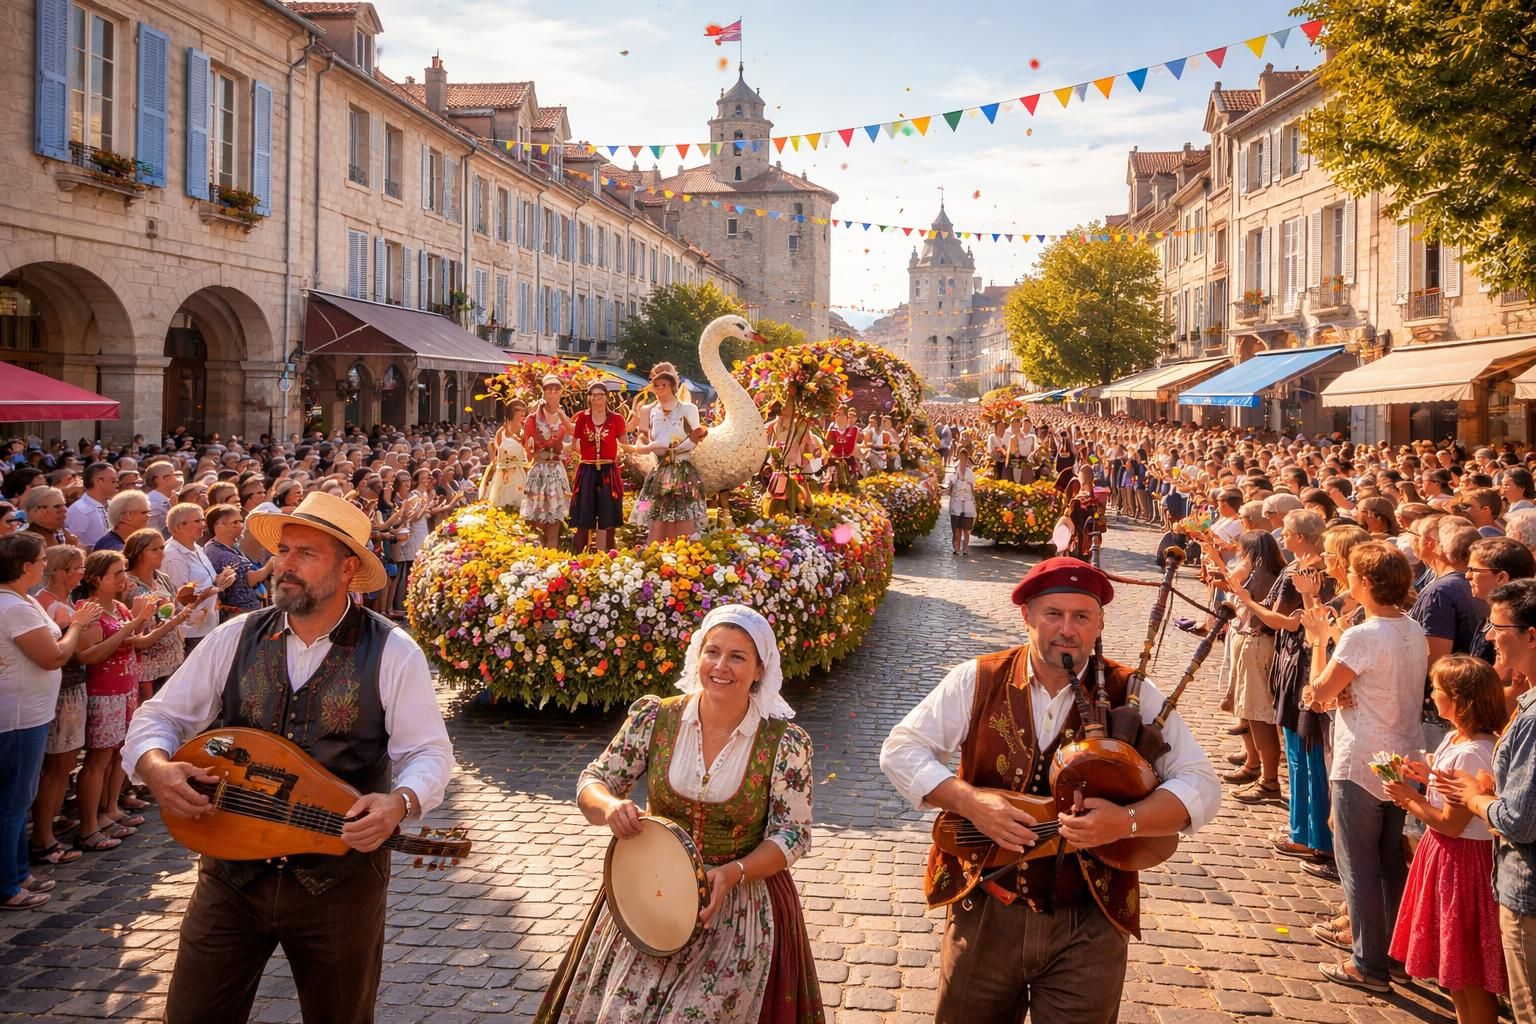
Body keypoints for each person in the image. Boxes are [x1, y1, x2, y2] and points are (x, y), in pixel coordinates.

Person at [122, 491, 455, 1024]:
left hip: (339, 884)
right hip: (230, 878)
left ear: (349, 569)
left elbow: (428, 752)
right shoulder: (235, 637)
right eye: (284, 552)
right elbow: (156, 718)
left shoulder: (392, 651)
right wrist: (156, 767)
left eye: (306, 554)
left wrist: (401, 801)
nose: (285, 566)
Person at [879, 557, 1221, 1023]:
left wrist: (1127, 821)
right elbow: (902, 749)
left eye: (1082, 616)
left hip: (1090, 920)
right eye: (1053, 614)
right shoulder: (979, 678)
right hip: (987, 911)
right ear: (1027, 616)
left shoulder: (1132, 692)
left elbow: (1200, 782)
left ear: (1099, 623)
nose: (1067, 629)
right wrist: (972, 802)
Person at [535, 604, 821, 1023]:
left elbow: (793, 834)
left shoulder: (784, 742)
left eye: (737, 657)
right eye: (712, 652)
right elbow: (594, 780)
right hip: (650, 899)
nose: (721, 666)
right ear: (698, 655)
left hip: (736, 907)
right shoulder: (656, 718)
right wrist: (610, 806)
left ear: (760, 669)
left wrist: (735, 871)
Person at [1301, 541, 1428, 992]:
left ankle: (1368, 963)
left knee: (1358, 864)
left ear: (1367, 582)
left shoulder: (1364, 634)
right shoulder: (1411, 628)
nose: (1346, 580)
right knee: (1390, 861)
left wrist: (1319, 642)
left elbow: (1318, 691)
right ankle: (1393, 954)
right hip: (1402, 754)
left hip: (1363, 757)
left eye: (1352, 574)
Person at [1385, 656, 1506, 1024]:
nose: (1432, 694)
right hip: (1444, 857)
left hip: (1463, 861)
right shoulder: (1457, 738)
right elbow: (1448, 791)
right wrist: (1427, 777)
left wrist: (1411, 799)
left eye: (1437, 689)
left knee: (1468, 971)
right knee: (1453, 970)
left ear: (1458, 699)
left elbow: (1451, 823)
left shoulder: (1474, 752)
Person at [0, 534, 100, 908]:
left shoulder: (21, 600)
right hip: (18, 716)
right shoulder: (13, 607)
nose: (45, 564)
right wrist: (78, 624)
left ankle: (18, 872)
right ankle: (8, 884)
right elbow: (53, 656)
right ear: (26, 566)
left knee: (18, 799)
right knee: (13, 801)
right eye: (41, 560)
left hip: (31, 711)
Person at [72, 550, 162, 853]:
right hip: (104, 692)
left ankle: (109, 809)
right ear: (97, 579)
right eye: (117, 573)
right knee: (97, 760)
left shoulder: (120, 607)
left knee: (117, 754)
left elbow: (134, 642)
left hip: (126, 687)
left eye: (124, 571)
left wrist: (168, 621)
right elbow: (92, 654)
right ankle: (89, 825)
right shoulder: (89, 609)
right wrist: (134, 622)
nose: (124, 578)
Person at [629, 363, 709, 543]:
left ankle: (685, 549)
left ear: (673, 384)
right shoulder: (649, 411)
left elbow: (697, 436)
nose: (658, 388)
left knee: (683, 509)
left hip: (682, 468)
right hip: (659, 469)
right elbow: (643, 437)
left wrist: (674, 448)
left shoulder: (688, 408)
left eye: (663, 384)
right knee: (653, 507)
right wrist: (645, 447)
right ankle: (655, 547)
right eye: (655, 384)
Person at [123, 529, 194, 700]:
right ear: (138, 552)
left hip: (172, 654)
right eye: (154, 549)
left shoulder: (162, 577)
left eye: (162, 548)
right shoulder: (126, 583)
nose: (161, 553)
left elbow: (174, 609)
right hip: (147, 661)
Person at [162, 502, 234, 652]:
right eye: (197, 521)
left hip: (207, 625)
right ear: (179, 526)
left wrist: (221, 578)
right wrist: (217, 588)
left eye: (202, 520)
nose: (203, 525)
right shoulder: (173, 555)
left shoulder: (196, 548)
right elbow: (181, 598)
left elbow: (205, 581)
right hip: (190, 631)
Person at [568, 383, 624, 554]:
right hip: (587, 470)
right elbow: (574, 445)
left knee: (608, 515)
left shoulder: (617, 419)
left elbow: (624, 444)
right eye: (593, 395)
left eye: (600, 395)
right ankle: (579, 557)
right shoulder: (582, 419)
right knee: (584, 515)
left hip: (608, 470)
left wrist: (622, 454)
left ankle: (608, 556)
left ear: (607, 397)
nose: (596, 398)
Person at [523, 375, 574, 549]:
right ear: (543, 392)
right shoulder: (533, 418)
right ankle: (537, 553)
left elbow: (572, 438)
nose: (553, 392)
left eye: (556, 389)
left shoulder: (563, 416)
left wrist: (567, 448)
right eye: (549, 389)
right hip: (540, 468)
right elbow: (531, 445)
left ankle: (552, 551)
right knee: (538, 513)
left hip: (556, 468)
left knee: (555, 513)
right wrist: (546, 443)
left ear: (561, 392)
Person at [204, 504, 274, 620]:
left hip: (248, 612)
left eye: (241, 521)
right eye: (235, 522)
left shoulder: (231, 545)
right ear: (219, 526)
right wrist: (270, 565)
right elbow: (249, 579)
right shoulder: (218, 553)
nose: (241, 526)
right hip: (238, 616)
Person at [479, 400, 529, 509]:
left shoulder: (524, 431)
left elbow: (528, 452)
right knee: (502, 502)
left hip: (519, 472)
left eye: (523, 409)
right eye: (517, 410)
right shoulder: (501, 432)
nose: (521, 413)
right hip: (503, 472)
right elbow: (497, 448)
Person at [63, 461, 116, 549]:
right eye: (113, 481)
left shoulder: (111, 505)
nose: (117, 484)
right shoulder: (80, 511)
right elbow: (72, 547)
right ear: (99, 481)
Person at [946, 445, 976, 557]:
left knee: (966, 529)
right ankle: (956, 548)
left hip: (967, 503)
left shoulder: (970, 473)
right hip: (956, 504)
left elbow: (973, 488)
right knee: (957, 528)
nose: (963, 460)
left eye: (965, 458)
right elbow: (951, 487)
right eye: (961, 458)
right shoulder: (955, 472)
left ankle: (965, 549)